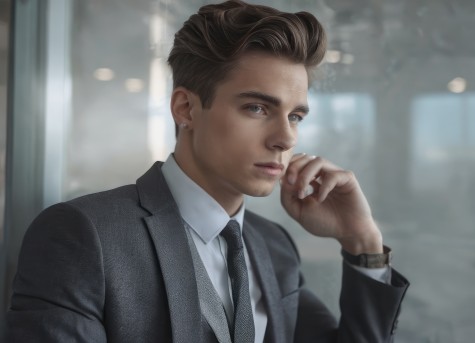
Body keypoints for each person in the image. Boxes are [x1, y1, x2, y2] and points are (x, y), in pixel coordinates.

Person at [7, 1, 409, 342]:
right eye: (257, 108)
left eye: (296, 115)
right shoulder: (83, 235)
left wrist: (362, 241)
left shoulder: (273, 246)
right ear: (185, 109)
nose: (286, 138)